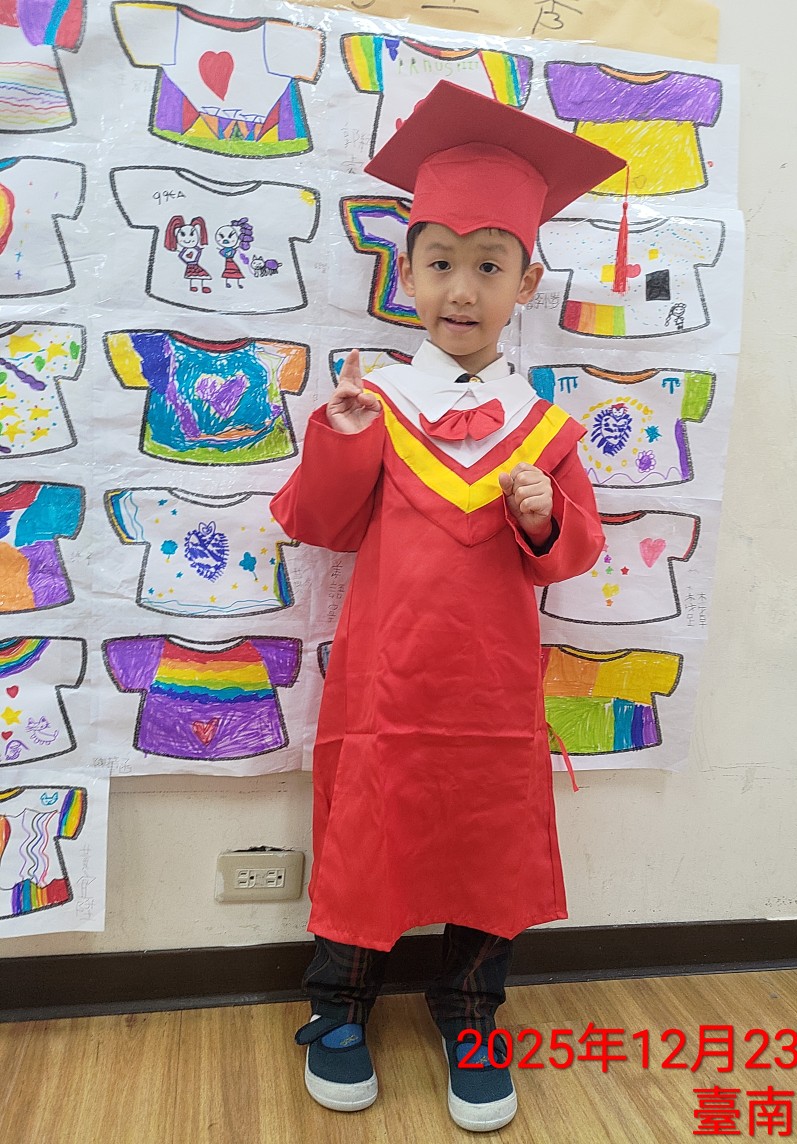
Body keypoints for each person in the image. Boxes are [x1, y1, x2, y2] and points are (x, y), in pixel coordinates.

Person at [270, 80, 625, 1133]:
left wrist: (544, 513)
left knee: (486, 843)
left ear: (527, 282)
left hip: (490, 692)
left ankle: (470, 1011)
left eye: (489, 265)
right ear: (407, 273)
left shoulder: (543, 428)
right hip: (384, 684)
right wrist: (340, 440)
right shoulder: (378, 403)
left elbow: (576, 554)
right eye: (440, 262)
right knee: (368, 832)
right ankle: (339, 1004)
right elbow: (319, 523)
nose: (461, 288)